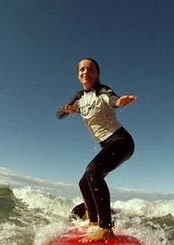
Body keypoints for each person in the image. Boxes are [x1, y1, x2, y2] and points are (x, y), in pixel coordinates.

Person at [57, 58, 137, 242]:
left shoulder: (102, 90)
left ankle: (106, 228)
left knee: (93, 171)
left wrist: (120, 102)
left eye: (90, 69)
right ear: (78, 74)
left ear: (97, 73)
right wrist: (67, 110)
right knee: (84, 182)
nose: (85, 72)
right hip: (107, 145)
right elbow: (59, 114)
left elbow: (113, 99)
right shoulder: (79, 97)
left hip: (122, 141)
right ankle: (93, 221)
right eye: (81, 70)